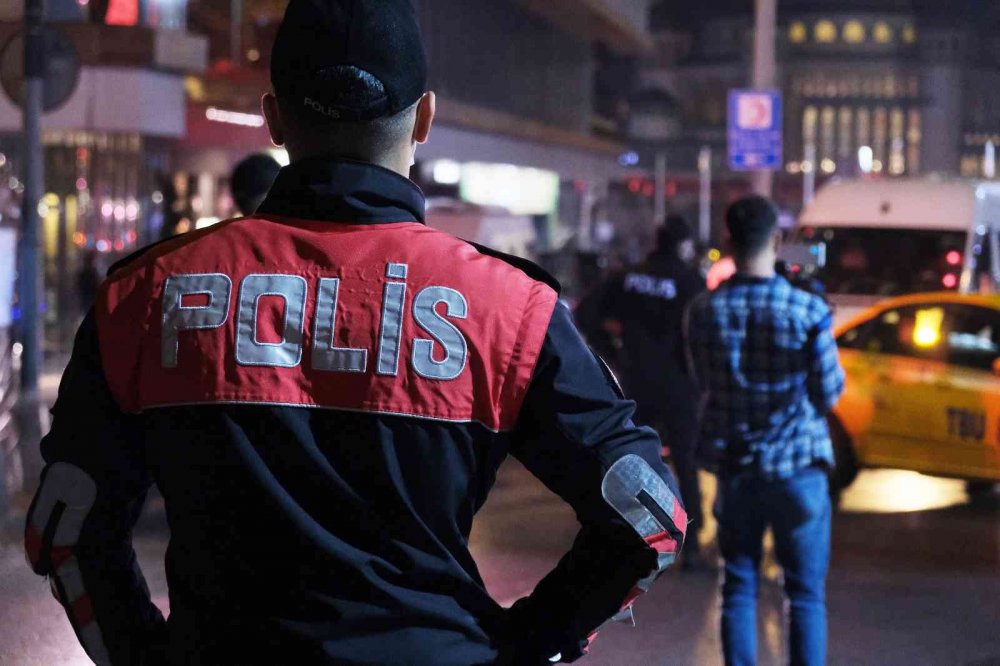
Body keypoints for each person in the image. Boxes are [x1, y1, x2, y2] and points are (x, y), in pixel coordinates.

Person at [23, 2, 687, 665]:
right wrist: (526, 644)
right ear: (424, 116)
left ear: (275, 117)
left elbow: (67, 531)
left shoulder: (145, 295)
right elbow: (647, 517)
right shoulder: (510, 307)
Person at [687, 196, 845, 666]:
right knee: (805, 595)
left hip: (736, 471)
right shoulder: (807, 310)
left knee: (738, 585)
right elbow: (829, 393)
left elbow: (703, 381)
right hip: (799, 472)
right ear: (777, 241)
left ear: (728, 242)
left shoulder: (703, 311)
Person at [599, 215, 707, 569]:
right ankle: (690, 546)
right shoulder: (691, 281)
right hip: (678, 385)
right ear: (683, 245)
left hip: (635, 382)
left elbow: (588, 313)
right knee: (686, 461)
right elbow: (703, 334)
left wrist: (611, 353)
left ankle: (628, 537)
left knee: (633, 461)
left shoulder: (628, 277)